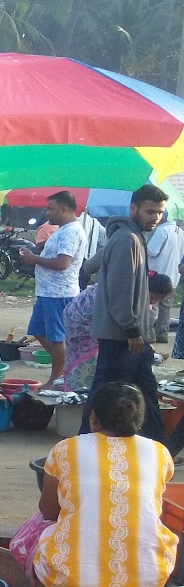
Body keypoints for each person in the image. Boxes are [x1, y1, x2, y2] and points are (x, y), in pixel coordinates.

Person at [11, 381, 178, 587]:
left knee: (39, 530)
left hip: (71, 577)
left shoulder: (66, 449)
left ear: (93, 419)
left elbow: (48, 511)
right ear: (139, 421)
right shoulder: (160, 454)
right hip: (146, 580)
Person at [83, 184, 169, 440]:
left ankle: (158, 446)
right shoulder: (126, 240)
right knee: (106, 392)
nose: (155, 217)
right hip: (122, 335)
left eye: (159, 212)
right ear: (133, 209)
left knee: (146, 391)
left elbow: (93, 267)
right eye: (150, 211)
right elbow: (119, 290)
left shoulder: (131, 237)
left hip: (131, 334)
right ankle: (86, 439)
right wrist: (132, 329)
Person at [63, 274, 172, 394]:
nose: (154, 302)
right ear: (146, 288)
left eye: (158, 300)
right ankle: (82, 395)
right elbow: (122, 320)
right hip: (83, 323)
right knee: (90, 364)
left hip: (95, 320)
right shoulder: (126, 293)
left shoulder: (136, 291)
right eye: (154, 298)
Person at [20, 190, 85, 388]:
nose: (47, 213)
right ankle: (64, 363)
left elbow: (63, 263)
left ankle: (57, 379)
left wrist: (34, 259)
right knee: (37, 331)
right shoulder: (63, 229)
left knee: (57, 338)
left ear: (65, 209)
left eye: (51, 209)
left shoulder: (71, 231)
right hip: (47, 292)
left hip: (59, 293)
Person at [146, 214, 184, 342]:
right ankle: (162, 334)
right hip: (174, 275)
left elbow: (151, 251)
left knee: (152, 306)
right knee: (166, 308)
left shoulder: (162, 231)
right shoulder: (181, 232)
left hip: (158, 275)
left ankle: (150, 335)